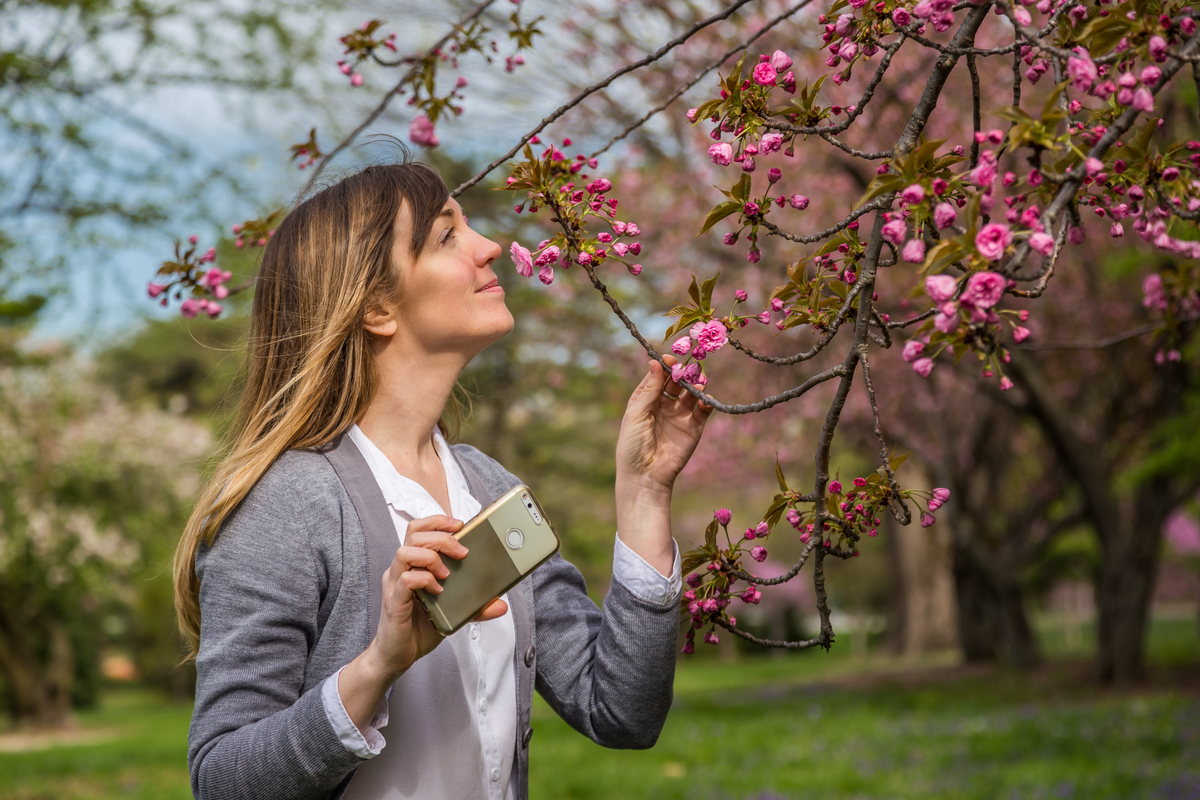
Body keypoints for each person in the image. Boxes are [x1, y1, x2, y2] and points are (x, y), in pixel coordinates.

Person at [174, 160, 713, 800]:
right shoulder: (285, 504)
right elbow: (221, 781)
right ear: (376, 306)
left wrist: (646, 493)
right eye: (447, 236)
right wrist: (378, 665)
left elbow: (621, 711)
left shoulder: (487, 484)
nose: (490, 249)